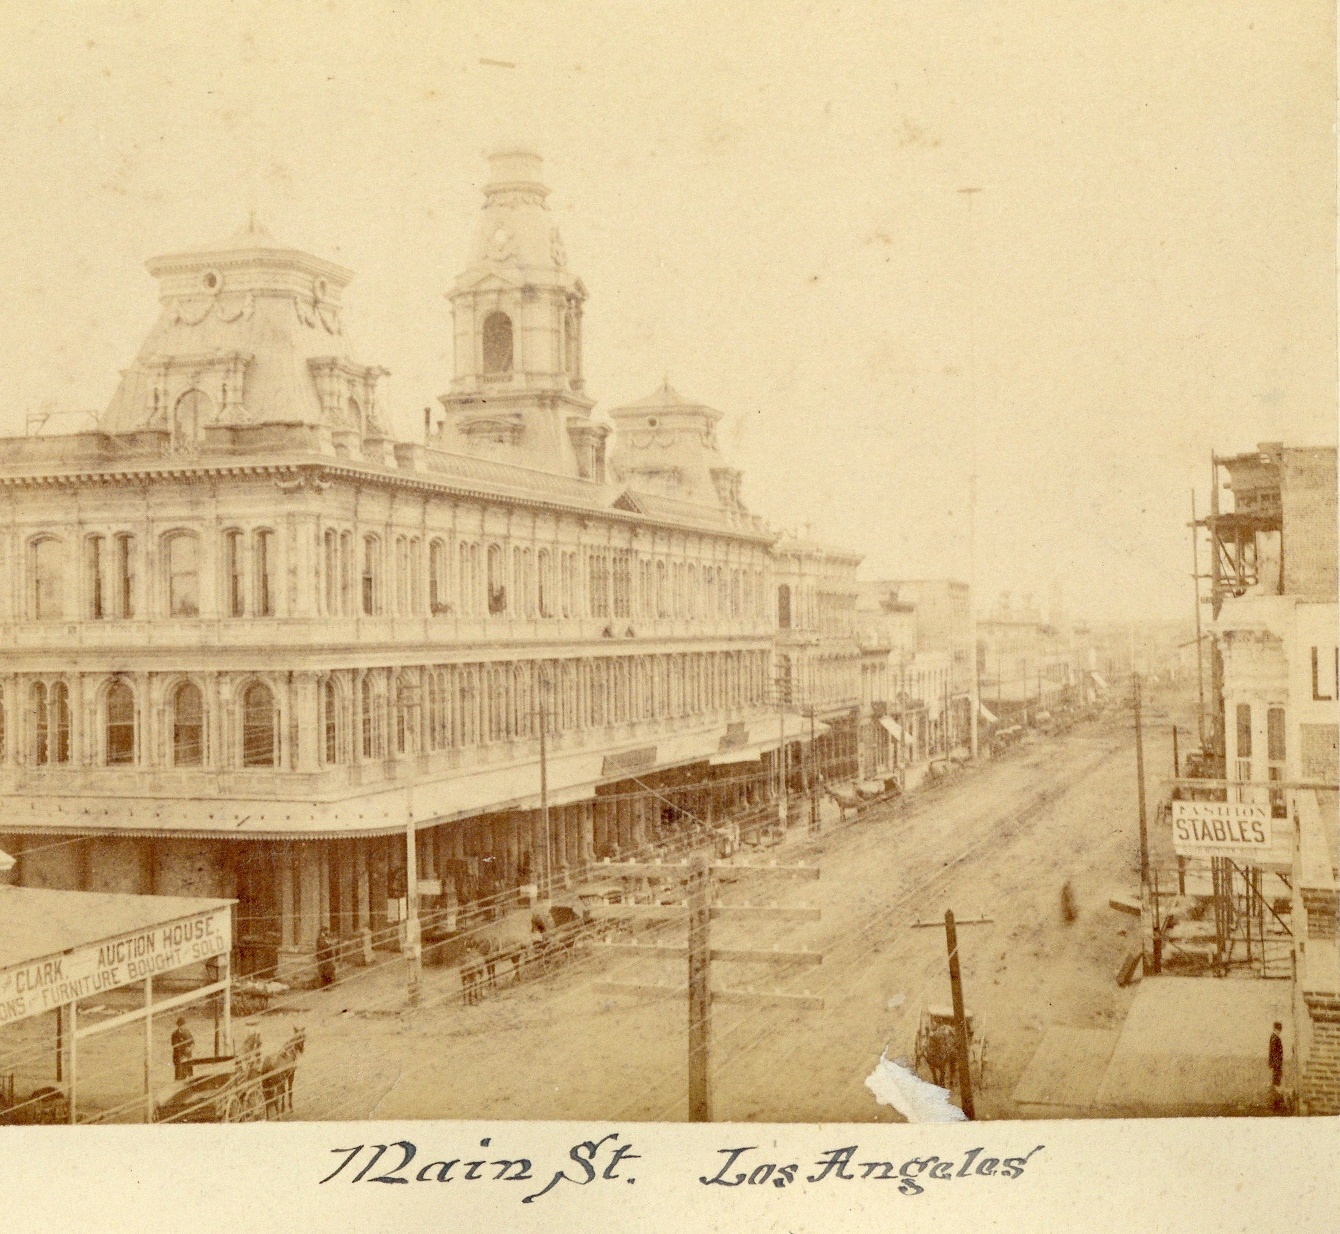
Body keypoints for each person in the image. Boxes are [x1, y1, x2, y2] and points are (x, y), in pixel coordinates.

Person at [170, 1016, 194, 1081]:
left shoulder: (188, 1032)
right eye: (181, 1025)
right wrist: (183, 1053)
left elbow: (192, 1042)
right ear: (178, 1026)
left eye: (184, 1025)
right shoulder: (175, 1034)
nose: (183, 1026)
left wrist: (190, 1048)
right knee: (179, 1076)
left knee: (190, 1074)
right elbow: (175, 1046)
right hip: (179, 1057)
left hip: (188, 1056)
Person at [1269, 1021, 1284, 1096]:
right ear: (1275, 1029)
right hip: (1277, 1063)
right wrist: (1276, 1063)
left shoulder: (1274, 1037)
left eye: (1280, 1030)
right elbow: (1274, 1052)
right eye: (1278, 1030)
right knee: (1276, 1080)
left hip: (1277, 1062)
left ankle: (1276, 1093)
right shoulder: (1275, 1038)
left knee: (1277, 1079)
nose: (1279, 1031)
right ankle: (1276, 1094)